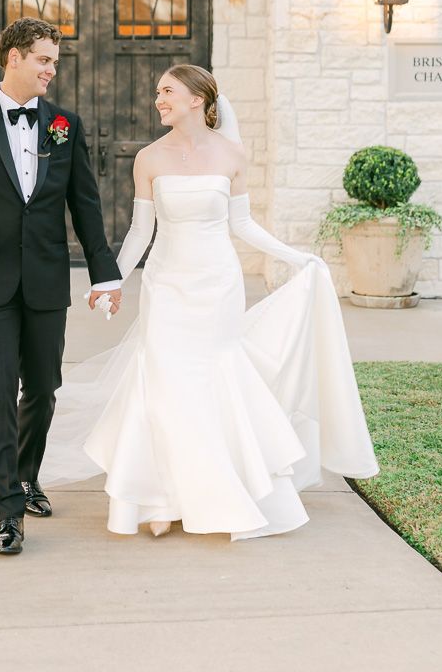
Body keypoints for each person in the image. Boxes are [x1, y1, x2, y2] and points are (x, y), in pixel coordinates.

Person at [81, 64, 379, 538]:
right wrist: (110, 281)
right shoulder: (149, 158)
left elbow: (242, 224)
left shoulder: (232, 154)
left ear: (197, 99)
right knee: (163, 382)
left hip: (217, 284)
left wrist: (294, 256)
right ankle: (162, 497)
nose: (157, 99)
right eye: (158, 92)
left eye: (167, 91)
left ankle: (215, 490)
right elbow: (140, 231)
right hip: (168, 285)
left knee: (211, 380)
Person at [0, 17, 121, 555]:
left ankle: (27, 473)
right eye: (44, 60)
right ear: (13, 57)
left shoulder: (65, 124)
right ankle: (7, 510)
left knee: (41, 386)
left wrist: (105, 272)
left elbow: (85, 205)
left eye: (54, 62)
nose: (51, 70)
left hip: (45, 278)